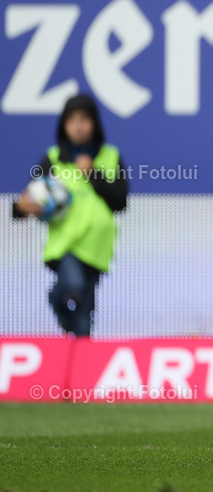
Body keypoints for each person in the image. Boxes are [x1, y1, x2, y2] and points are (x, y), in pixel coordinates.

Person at [13, 94, 128, 338]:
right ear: (63, 125)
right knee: (73, 287)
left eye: (84, 119)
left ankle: (80, 355)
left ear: (95, 123)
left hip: (97, 247)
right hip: (67, 243)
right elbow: (30, 198)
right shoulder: (53, 158)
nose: (77, 126)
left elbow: (120, 201)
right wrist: (20, 207)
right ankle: (57, 299)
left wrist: (93, 174)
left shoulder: (110, 156)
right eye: (71, 120)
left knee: (85, 315)